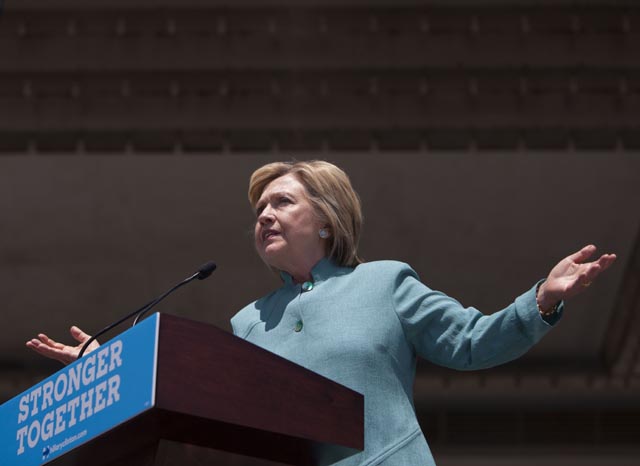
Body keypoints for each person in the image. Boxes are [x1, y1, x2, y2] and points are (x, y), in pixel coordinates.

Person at [27, 160, 617, 466]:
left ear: (328, 219)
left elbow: (473, 341)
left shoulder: (384, 281)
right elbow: (203, 408)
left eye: (281, 202)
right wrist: (112, 370)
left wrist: (543, 298)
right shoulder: (247, 321)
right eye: (258, 209)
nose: (264, 216)